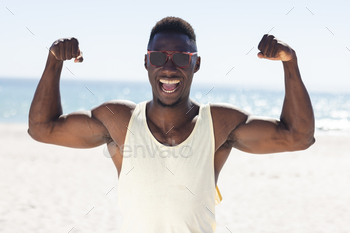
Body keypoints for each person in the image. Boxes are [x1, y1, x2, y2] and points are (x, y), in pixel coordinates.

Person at [28, 16, 315, 233]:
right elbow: (42, 129)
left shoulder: (217, 123)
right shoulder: (119, 121)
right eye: (158, 57)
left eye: (181, 58)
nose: (168, 68)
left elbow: (298, 137)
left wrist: (290, 62)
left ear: (196, 64)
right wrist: (54, 61)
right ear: (146, 62)